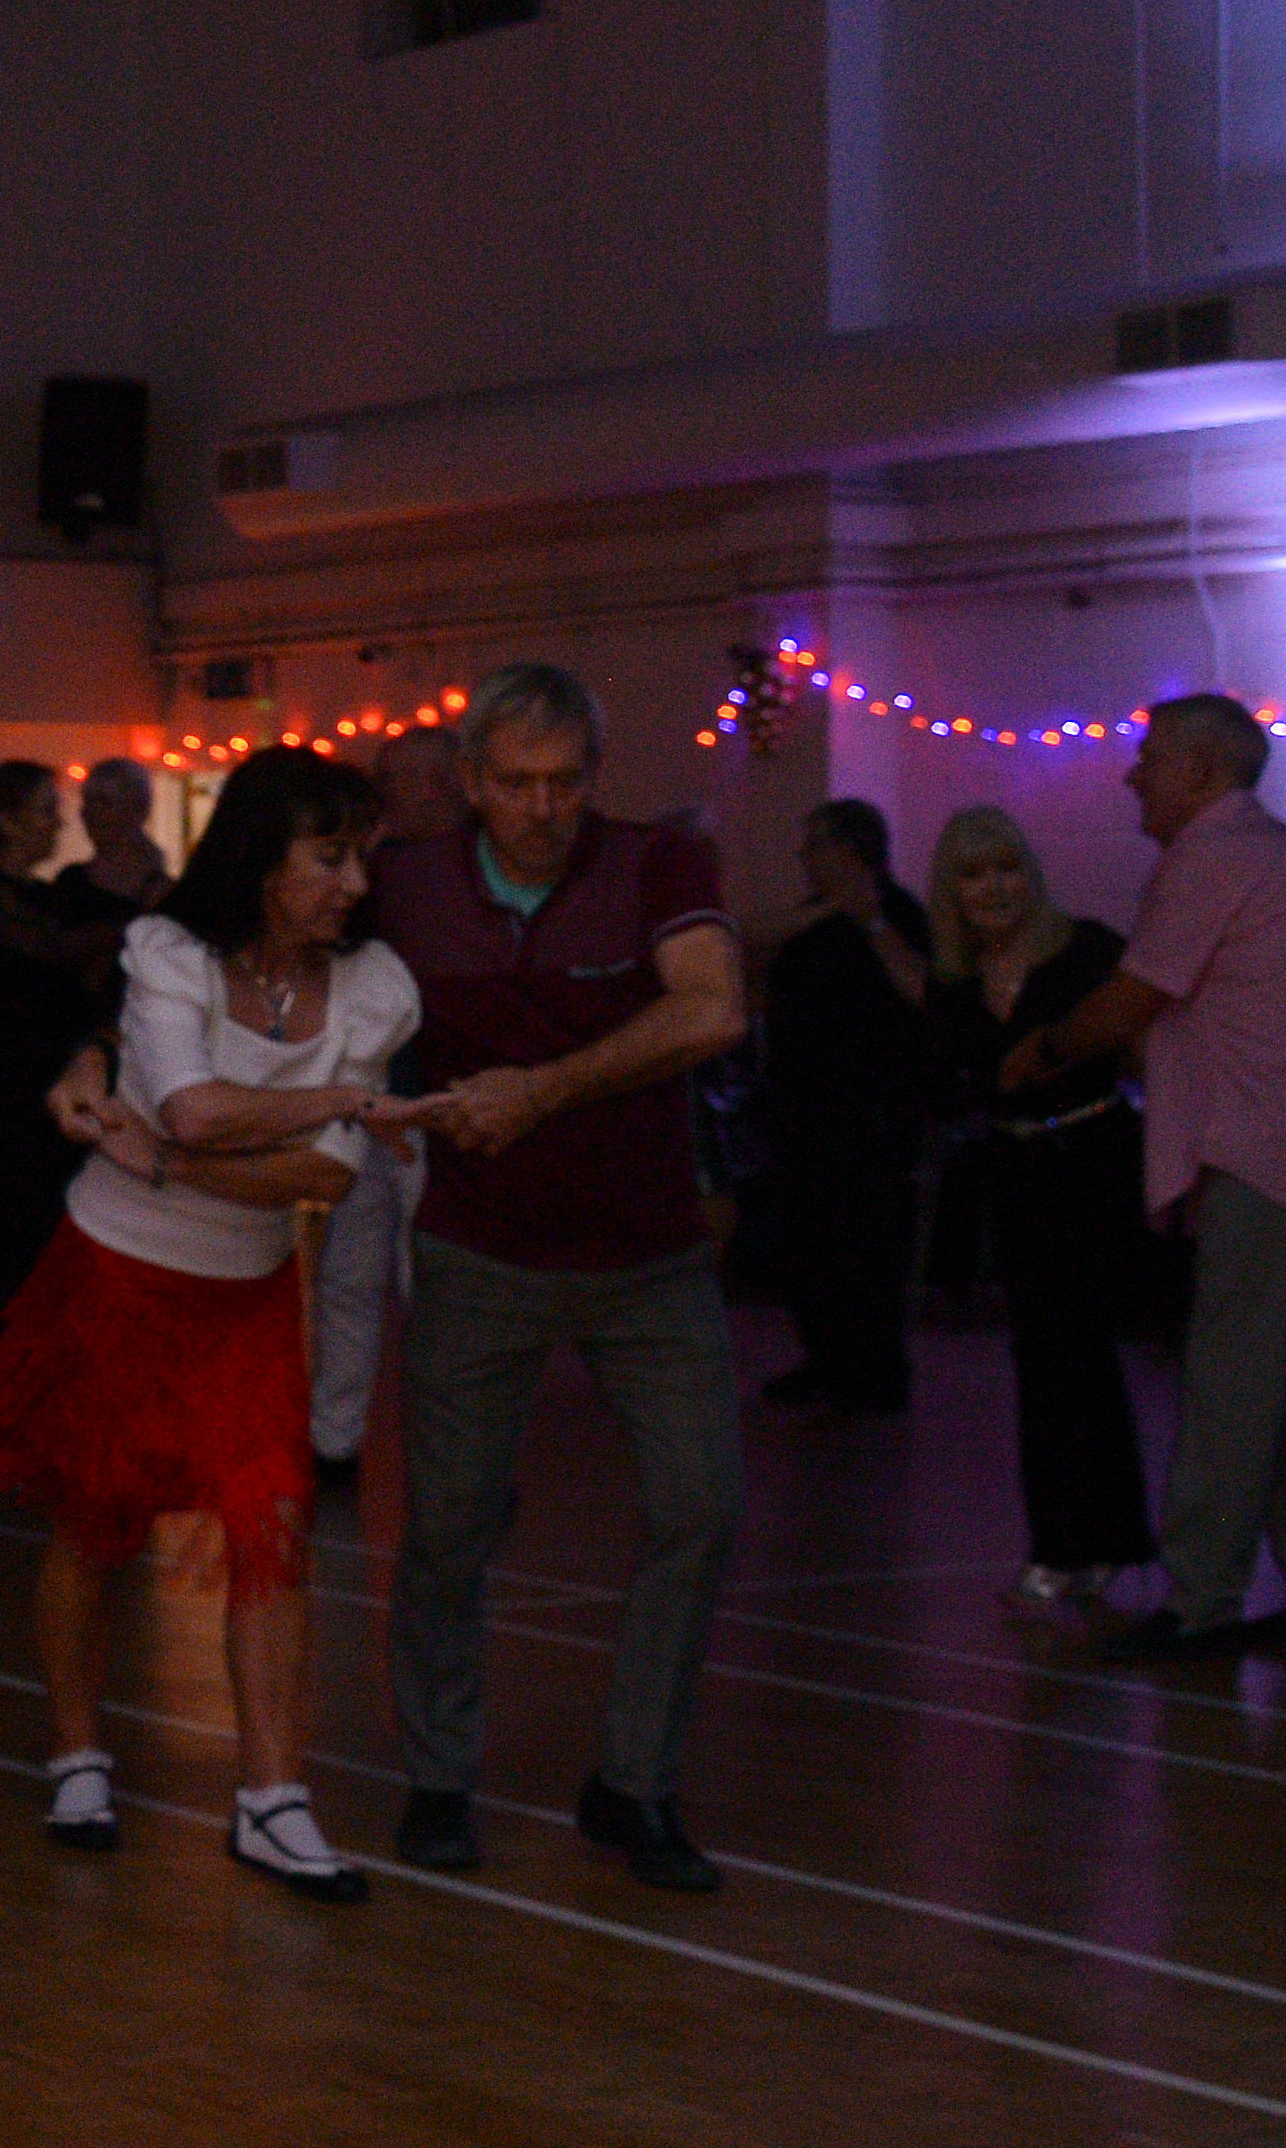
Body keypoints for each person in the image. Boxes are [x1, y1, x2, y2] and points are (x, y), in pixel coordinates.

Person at [0, 747, 419, 1890]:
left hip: (248, 1294)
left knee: (274, 1526)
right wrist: (332, 1102)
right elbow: (194, 1109)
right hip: (119, 1275)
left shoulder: (377, 985)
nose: (354, 883)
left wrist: (163, 1156)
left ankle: (274, 1798)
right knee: (95, 1527)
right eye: (330, 857)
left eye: (363, 858)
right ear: (262, 857)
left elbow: (324, 1176)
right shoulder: (169, 952)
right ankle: (77, 1754)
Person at [363, 663, 749, 1892]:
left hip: (650, 1257)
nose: (542, 809)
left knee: (701, 1505)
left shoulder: (656, 864)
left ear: (595, 777)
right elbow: (278, 961)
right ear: (471, 782)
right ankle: (439, 1780)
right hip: (480, 1252)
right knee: (448, 1526)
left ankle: (634, 1783)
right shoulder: (407, 881)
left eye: (565, 783)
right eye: (517, 783)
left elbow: (712, 1011)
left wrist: (540, 1090)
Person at [1003, 694, 1286, 1662]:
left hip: (1259, 1154)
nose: (1133, 774)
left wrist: (1044, 1047)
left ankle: (1201, 1600)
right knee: (1270, 1379)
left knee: (1233, 1377)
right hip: (1265, 1147)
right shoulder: (1267, 852)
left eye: (1151, 757)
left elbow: (1129, 1004)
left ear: (1203, 771)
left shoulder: (1211, 857)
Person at [911, 805, 1152, 1608]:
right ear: (952, 890)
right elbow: (946, 1085)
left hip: (1096, 1157)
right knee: (1043, 1356)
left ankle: (1100, 1540)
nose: (995, 888)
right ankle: (1067, 1541)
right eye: (974, 874)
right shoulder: (951, 983)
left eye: (1008, 868)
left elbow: (1142, 1045)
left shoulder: (1086, 952)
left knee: (1084, 1350)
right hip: (1017, 1170)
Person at [307, 724, 459, 1476]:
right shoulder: (379, 872)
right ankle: (335, 1441)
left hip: (433, 1111)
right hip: (372, 1107)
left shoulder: (464, 874)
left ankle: (454, 1459)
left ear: (439, 783)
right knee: (352, 1278)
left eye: (393, 777)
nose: (381, 790)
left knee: (425, 1287)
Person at [755, 800, 933, 1414]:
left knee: (864, 1247)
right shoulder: (814, 918)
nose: (803, 857)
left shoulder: (899, 915)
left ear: (847, 850)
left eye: (814, 845)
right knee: (809, 1243)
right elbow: (750, 944)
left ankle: (874, 1376)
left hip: (868, 1117)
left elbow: (924, 995)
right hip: (804, 1111)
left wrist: (867, 920)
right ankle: (825, 1360)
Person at [0, 757, 123, 1349]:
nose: (59, 823)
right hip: (5, 1104)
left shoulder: (38, 897)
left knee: (36, 1257)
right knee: (15, 1261)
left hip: (35, 1099)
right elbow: (61, 951)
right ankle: (0, 1387)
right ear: (7, 820)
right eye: (47, 811)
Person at [73, 753, 170, 909]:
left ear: (137, 809)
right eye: (88, 801)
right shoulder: (72, 881)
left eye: (105, 802)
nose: (92, 812)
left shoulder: (158, 892)